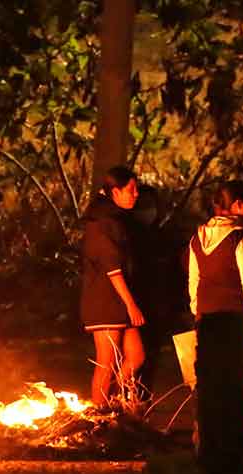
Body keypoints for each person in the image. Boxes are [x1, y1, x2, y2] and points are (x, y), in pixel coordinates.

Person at [188, 181, 243, 474]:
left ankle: (208, 450)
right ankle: (232, 453)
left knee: (208, 385)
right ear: (238, 205)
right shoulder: (239, 238)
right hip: (232, 318)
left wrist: (197, 310)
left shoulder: (197, 237)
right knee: (233, 386)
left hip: (206, 320)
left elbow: (193, 282)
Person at [80, 165, 145, 410]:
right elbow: (112, 268)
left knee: (136, 356)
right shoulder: (101, 223)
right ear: (115, 192)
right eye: (131, 189)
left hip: (117, 302)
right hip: (105, 303)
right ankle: (97, 416)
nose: (135, 194)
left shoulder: (115, 220)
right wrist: (131, 304)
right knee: (106, 362)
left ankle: (112, 404)